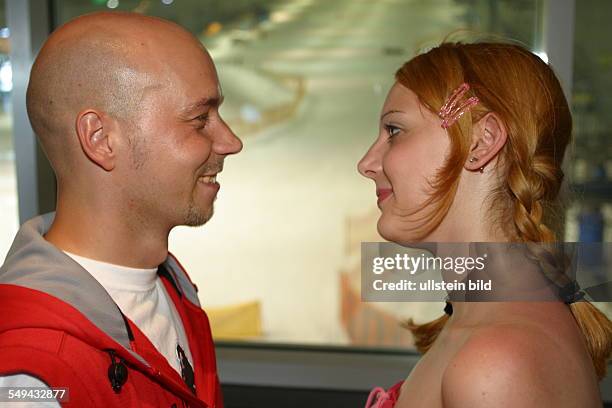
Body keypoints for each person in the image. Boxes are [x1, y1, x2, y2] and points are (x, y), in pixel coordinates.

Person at [0, 11, 241, 407]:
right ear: (101, 139)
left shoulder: (173, 289)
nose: (231, 141)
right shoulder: (30, 379)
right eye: (200, 119)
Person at [358, 41, 612, 407]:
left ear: (481, 141)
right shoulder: (479, 329)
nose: (367, 162)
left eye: (394, 131)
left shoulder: (495, 363)